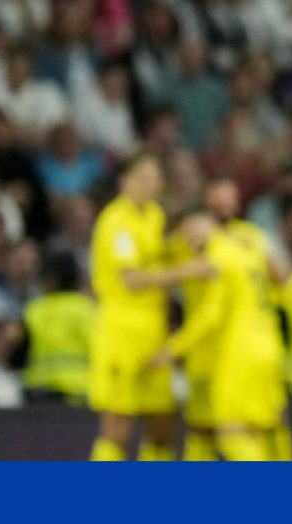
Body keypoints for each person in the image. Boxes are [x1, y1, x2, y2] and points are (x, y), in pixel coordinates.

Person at [151, 212, 288, 461]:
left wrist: (173, 348)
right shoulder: (248, 252)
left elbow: (211, 315)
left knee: (231, 431)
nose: (189, 237)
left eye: (193, 228)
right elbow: (278, 292)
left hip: (241, 351)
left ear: (210, 225)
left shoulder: (220, 256)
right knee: (267, 427)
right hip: (269, 345)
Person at [88, 153, 189, 461]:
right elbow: (132, 278)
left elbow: (162, 256)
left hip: (154, 333)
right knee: (117, 425)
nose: (150, 185)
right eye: (142, 178)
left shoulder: (156, 215)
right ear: (125, 181)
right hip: (121, 333)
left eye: (155, 179)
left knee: (161, 426)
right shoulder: (116, 221)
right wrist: (186, 271)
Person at [21, 252, 94, 404]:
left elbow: (19, 351)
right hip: (79, 392)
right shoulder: (86, 309)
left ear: (51, 279)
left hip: (38, 392)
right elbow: (97, 349)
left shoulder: (34, 309)